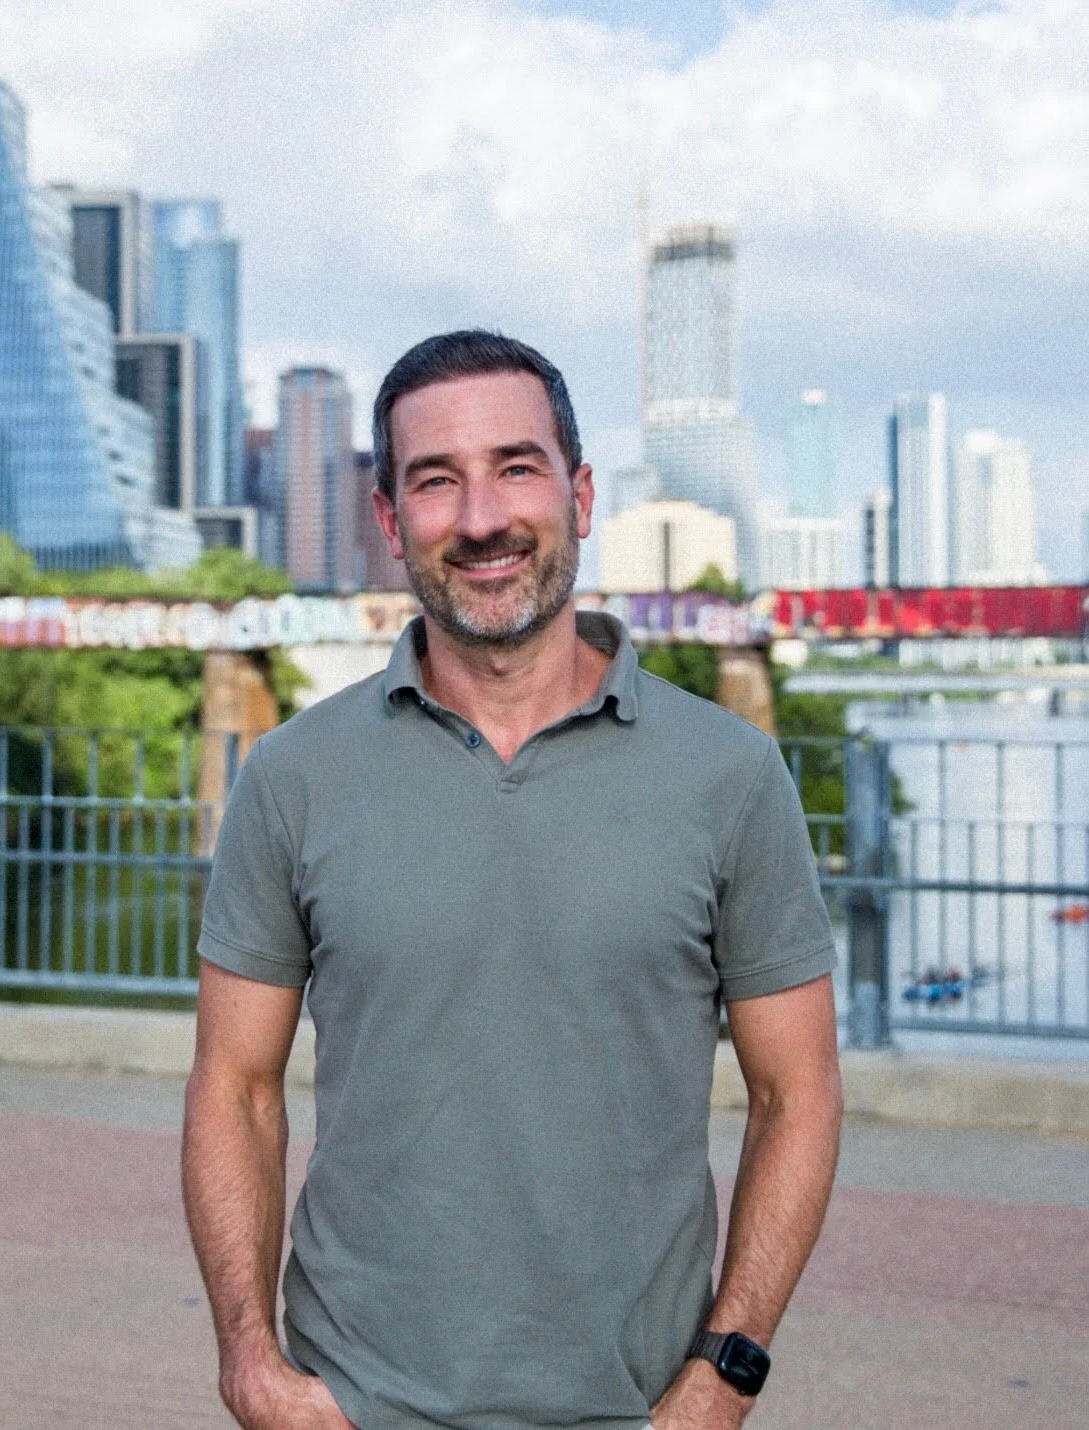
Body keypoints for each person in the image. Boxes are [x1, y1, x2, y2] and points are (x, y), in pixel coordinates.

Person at [182, 330, 844, 1430]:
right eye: (435, 480)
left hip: (637, 1408)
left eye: (516, 466)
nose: (482, 516)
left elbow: (799, 1093)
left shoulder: (730, 775)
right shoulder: (292, 776)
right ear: (391, 520)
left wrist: (726, 1370)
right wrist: (250, 1359)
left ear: (579, 493)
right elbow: (233, 1088)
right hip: (354, 1401)